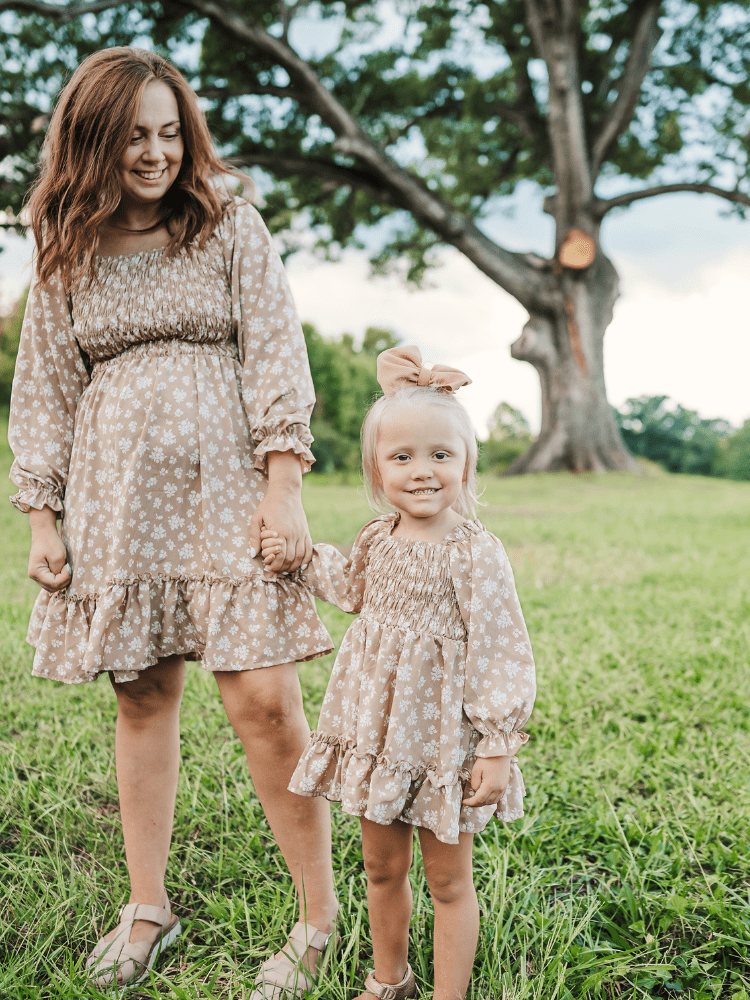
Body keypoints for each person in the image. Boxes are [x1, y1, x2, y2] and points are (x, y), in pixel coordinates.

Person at [8, 47, 338, 996]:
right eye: (132, 137)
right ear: (93, 142)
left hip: (229, 487)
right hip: (117, 502)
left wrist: (283, 489)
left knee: (264, 704)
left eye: (167, 132)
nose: (154, 155)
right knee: (143, 694)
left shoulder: (229, 222)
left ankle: (316, 922)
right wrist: (43, 517)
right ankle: (146, 904)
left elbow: (276, 354)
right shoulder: (66, 245)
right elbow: (46, 389)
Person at [261, 346, 537, 1000]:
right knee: (381, 869)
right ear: (376, 468)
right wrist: (295, 557)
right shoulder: (375, 539)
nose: (422, 471)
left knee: (447, 880)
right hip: (378, 741)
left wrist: (497, 744)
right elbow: (349, 587)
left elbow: (500, 646)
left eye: (441, 455)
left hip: (444, 747)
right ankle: (390, 980)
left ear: (467, 466)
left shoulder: (475, 552)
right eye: (402, 456)